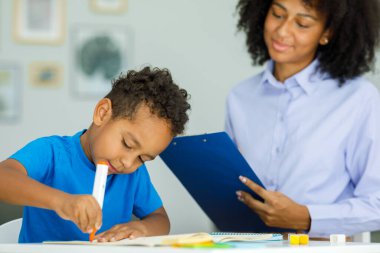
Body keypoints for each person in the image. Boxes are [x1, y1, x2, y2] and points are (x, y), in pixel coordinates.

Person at [225, 0, 380, 238]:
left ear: (327, 33)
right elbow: (231, 187)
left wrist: (307, 217)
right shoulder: (241, 97)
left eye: (302, 23)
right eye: (277, 14)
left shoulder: (358, 99)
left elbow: (376, 204)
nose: (283, 30)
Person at [0, 66, 191, 243]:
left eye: (142, 159)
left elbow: (160, 219)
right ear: (102, 113)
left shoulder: (133, 175)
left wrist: (142, 228)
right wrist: (61, 201)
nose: (128, 162)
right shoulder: (52, 153)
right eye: (127, 144)